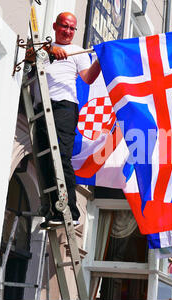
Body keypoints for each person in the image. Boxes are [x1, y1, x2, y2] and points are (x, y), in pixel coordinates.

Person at [28, 12, 101, 228]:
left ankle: (72, 212)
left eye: (72, 28)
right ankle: (55, 210)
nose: (68, 31)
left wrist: (102, 60)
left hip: (64, 106)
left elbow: (88, 78)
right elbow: (31, 54)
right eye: (64, 26)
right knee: (44, 160)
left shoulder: (77, 50)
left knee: (60, 156)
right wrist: (51, 49)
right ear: (55, 26)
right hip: (42, 108)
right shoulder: (44, 46)